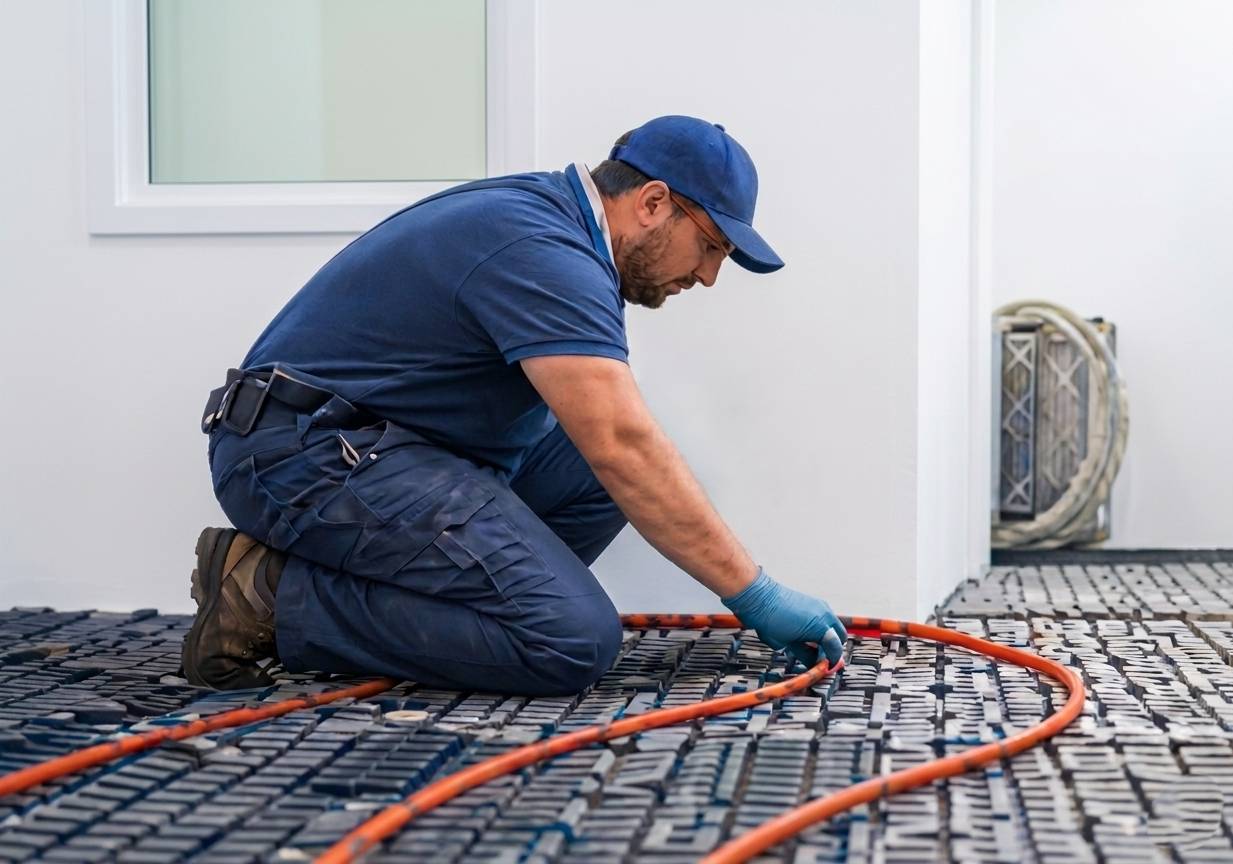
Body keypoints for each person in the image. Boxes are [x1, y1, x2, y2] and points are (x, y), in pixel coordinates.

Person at [184, 115, 847, 695]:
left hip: (371, 444)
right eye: (710, 246)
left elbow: (610, 449)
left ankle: (486, 609)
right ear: (651, 203)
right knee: (571, 641)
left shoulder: (552, 225)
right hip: (302, 455)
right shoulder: (542, 250)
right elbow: (621, 441)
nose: (706, 275)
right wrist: (752, 593)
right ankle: (267, 596)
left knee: (593, 476)